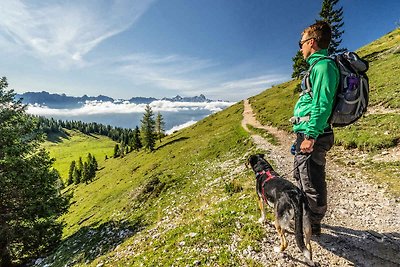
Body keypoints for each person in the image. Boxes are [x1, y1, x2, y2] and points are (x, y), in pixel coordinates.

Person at [291, 21, 339, 235]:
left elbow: (323, 104)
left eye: (300, 43)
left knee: (311, 178)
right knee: (302, 175)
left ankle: (313, 223)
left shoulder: (324, 66)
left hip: (314, 133)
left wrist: (310, 135)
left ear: (311, 42)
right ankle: (305, 217)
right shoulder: (316, 67)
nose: (300, 48)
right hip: (306, 131)